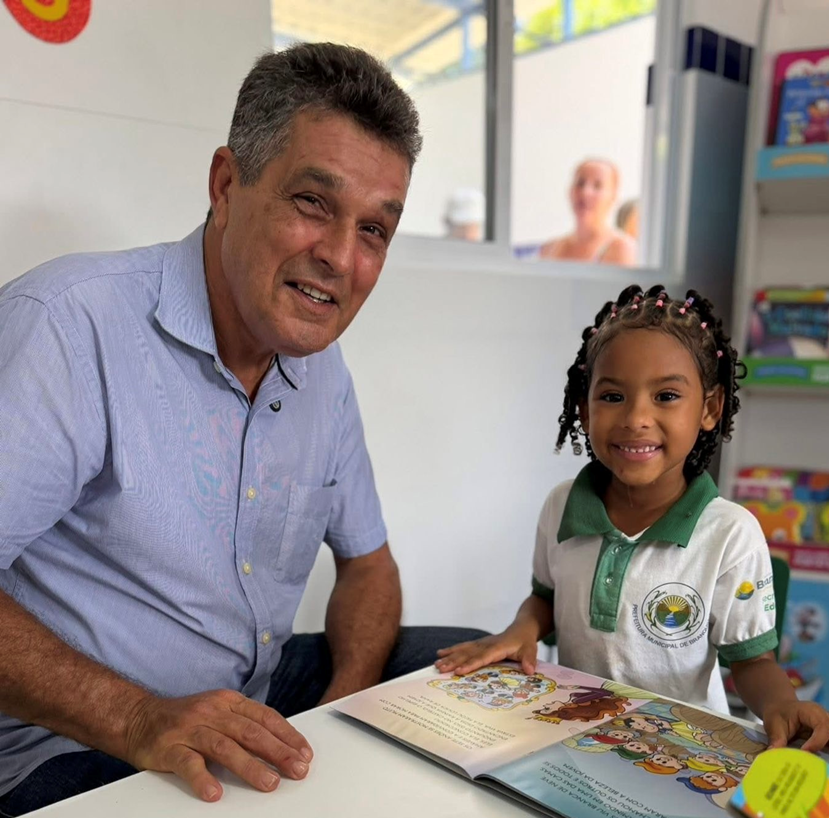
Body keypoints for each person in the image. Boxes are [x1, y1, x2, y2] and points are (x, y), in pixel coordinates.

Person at [0, 42, 486, 814]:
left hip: (248, 697)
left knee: (476, 675)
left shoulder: (322, 372)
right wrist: (140, 719)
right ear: (227, 185)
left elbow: (369, 568)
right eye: (313, 203)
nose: (340, 258)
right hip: (72, 741)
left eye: (373, 230)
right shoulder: (68, 324)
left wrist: (343, 712)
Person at [436, 284, 829, 775]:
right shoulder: (561, 505)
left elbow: (752, 662)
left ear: (709, 409)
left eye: (666, 396)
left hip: (683, 757)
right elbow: (545, 597)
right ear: (585, 409)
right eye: (612, 396)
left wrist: (783, 706)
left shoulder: (730, 534)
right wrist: (522, 629)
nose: (636, 419)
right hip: (575, 741)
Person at [539, 159, 636, 265]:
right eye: (580, 183)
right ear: (570, 191)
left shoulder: (623, 249)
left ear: (613, 197)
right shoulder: (549, 249)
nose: (585, 192)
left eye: (597, 186)